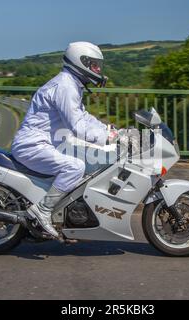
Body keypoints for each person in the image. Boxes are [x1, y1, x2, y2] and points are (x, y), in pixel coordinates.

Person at [11, 42, 117, 238]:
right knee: (75, 167)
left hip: (46, 142)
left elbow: (83, 117)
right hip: (33, 145)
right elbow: (77, 126)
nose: (98, 69)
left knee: (86, 160)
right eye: (94, 65)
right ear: (81, 62)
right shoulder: (66, 86)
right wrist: (107, 138)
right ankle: (42, 211)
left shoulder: (71, 84)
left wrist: (109, 131)